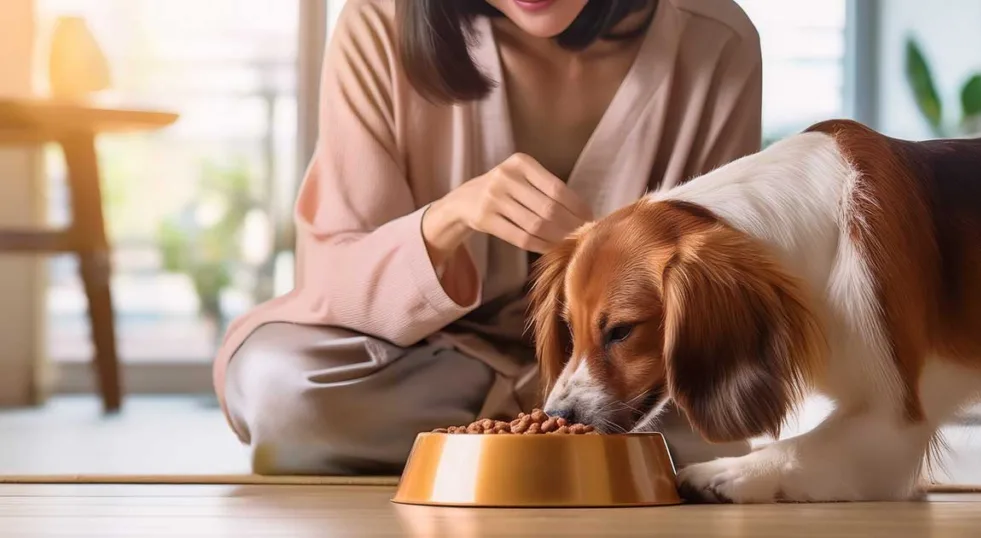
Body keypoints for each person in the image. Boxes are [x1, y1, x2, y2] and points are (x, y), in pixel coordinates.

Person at [217, 0, 764, 474]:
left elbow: (717, 299)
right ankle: (571, 443)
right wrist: (447, 219)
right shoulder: (380, 22)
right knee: (278, 385)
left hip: (626, 385)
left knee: (726, 412)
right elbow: (332, 278)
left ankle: (483, 444)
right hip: (433, 367)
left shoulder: (715, 40)